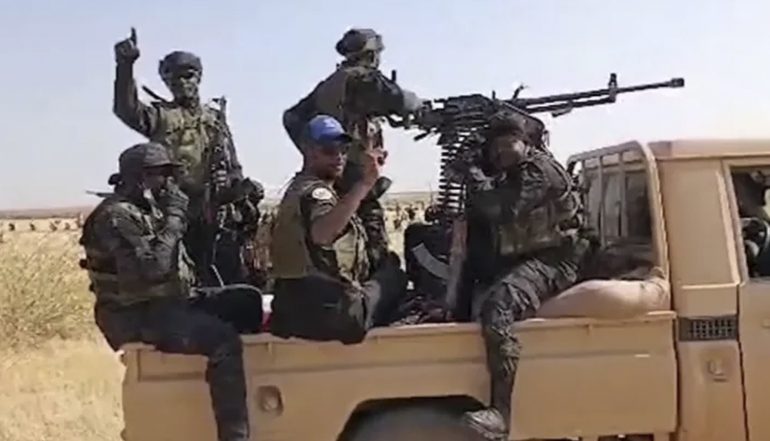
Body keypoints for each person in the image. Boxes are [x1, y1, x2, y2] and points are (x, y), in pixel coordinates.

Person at [78, 142, 252, 441]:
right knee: (223, 341)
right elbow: (155, 267)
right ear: (139, 178)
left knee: (244, 302)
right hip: (134, 315)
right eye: (161, 175)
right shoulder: (116, 216)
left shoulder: (148, 210)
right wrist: (173, 219)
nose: (168, 183)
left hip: (164, 303)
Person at [459, 112, 590, 440]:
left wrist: (472, 172)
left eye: (508, 145)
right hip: (534, 255)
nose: (501, 153)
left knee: (499, 305)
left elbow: (501, 210)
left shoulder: (538, 171)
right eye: (495, 148)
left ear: (526, 142)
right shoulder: (514, 171)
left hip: (557, 261)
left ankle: (501, 414)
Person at [112, 28, 263, 287]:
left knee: (224, 278)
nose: (181, 83)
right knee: (182, 280)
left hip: (214, 211)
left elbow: (233, 165)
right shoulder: (160, 115)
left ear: (199, 77)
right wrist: (125, 66)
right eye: (173, 78)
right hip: (173, 210)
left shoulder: (214, 118)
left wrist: (240, 188)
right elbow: (126, 109)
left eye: (188, 75)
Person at [282, 28, 425, 270]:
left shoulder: (330, 84)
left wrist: (316, 155)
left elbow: (291, 117)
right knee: (379, 259)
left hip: (331, 179)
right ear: (371, 55)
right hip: (357, 181)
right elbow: (401, 100)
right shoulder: (364, 79)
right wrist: (421, 107)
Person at [269, 115, 407, 344]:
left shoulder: (298, 189)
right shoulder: (315, 193)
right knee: (393, 275)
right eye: (329, 150)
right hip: (328, 315)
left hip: (290, 311)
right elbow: (323, 234)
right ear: (308, 151)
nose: (339, 157)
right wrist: (365, 184)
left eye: (343, 149)